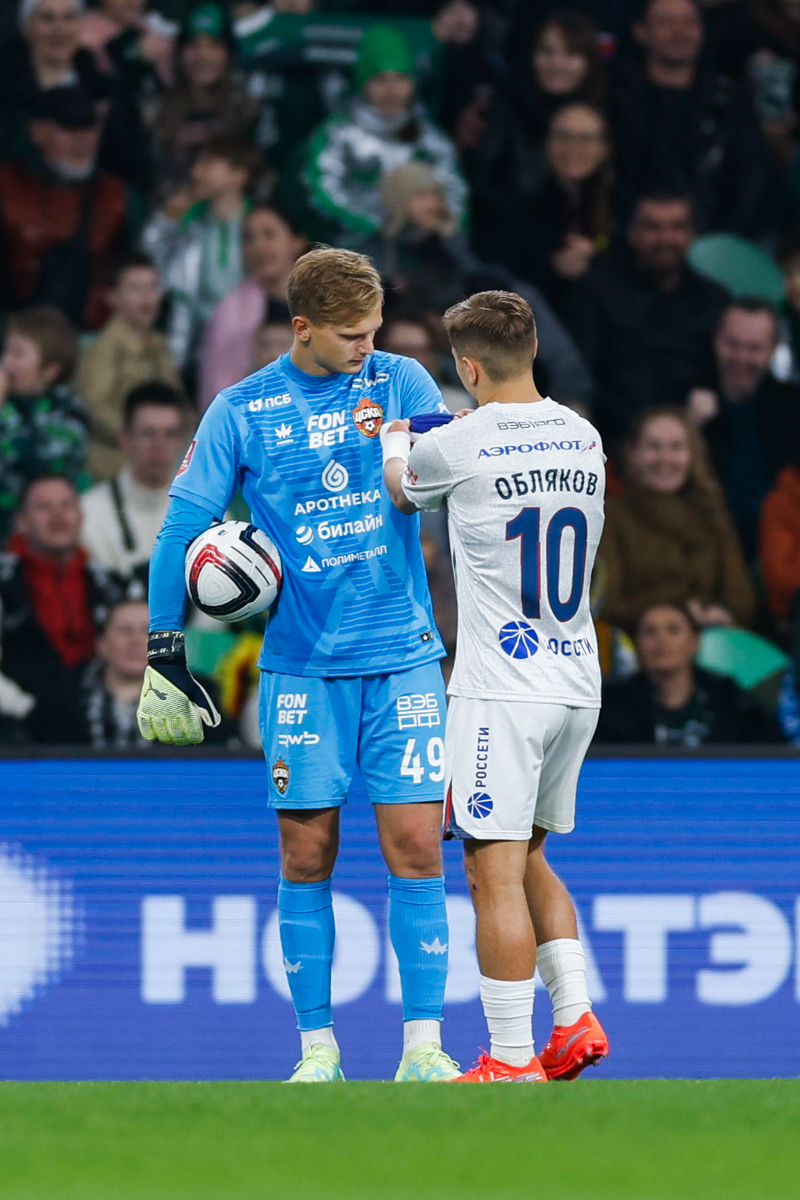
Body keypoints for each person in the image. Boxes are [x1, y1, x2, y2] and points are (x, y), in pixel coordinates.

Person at [136, 247, 460, 1084]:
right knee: (306, 857)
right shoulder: (240, 410)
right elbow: (181, 530)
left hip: (403, 658)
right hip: (301, 669)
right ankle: (318, 1052)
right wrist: (165, 648)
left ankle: (423, 1049)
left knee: (418, 849)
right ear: (303, 326)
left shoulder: (402, 381)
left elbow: (446, 476)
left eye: (375, 330)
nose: (368, 346)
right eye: (352, 334)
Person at [383, 290, 609, 1083]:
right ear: (533, 348)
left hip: (501, 691)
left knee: (490, 870)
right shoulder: (583, 434)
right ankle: (573, 1017)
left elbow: (402, 488)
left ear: (467, 367)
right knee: (531, 853)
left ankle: (511, 1059)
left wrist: (399, 435)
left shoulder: (462, 442)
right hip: (575, 679)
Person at [565, 191, 729, 439]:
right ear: (632, 233)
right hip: (611, 438)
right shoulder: (596, 292)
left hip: (696, 439)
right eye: (653, 227)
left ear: (692, 234)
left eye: (677, 227)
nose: (665, 239)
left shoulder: (714, 299)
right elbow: (579, 373)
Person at [609, 0, 772, 236]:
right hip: (624, 235)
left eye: (689, 23)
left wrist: (719, 242)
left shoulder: (730, 98)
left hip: (715, 240)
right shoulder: (614, 96)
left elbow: (752, 177)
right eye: (666, 22)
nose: (680, 31)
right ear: (640, 32)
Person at [302, 24, 468, 245]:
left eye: (401, 78)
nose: (392, 90)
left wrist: (439, 227)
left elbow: (455, 192)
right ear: (363, 83)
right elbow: (323, 189)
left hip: (425, 249)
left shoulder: (429, 137)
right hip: (356, 250)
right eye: (380, 79)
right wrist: (379, 227)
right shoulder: (338, 134)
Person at [598, 407, 755, 634]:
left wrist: (721, 614)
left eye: (676, 447)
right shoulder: (611, 516)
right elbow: (608, 604)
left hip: (710, 642)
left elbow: (741, 600)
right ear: (632, 453)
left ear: (693, 454)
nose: (665, 459)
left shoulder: (712, 515)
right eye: (654, 447)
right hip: (635, 643)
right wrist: (681, 609)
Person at [465, 10, 605, 258]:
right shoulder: (503, 106)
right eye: (547, 51)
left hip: (588, 249)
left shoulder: (604, 115)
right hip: (512, 244)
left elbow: (611, 224)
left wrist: (597, 246)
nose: (556, 63)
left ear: (589, 62)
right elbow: (483, 186)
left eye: (571, 53)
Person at [0, 87, 132, 330]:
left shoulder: (116, 195)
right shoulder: (7, 187)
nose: (82, 140)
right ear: (39, 132)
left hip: (92, 337)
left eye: (89, 128)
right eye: (69, 128)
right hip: (17, 336)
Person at [26, 597, 235, 747]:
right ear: (101, 644)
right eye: (124, 630)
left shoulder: (199, 696)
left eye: (148, 631)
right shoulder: (59, 693)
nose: (135, 640)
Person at [0, 475, 125, 706]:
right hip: (17, 716)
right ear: (21, 521)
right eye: (43, 507)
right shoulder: (5, 585)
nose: (57, 516)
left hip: (96, 714)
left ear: (81, 516)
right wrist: (21, 708)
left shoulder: (112, 586)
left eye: (66, 505)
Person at [693, 299, 800, 559]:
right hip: (703, 548)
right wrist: (688, 427)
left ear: (773, 349)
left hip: (778, 547)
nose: (741, 358)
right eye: (732, 344)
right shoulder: (684, 400)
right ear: (715, 340)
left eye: (754, 348)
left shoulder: (793, 408)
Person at [143, 136, 258, 372]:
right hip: (191, 337)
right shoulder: (189, 219)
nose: (195, 173)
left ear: (238, 175)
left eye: (208, 165)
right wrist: (169, 216)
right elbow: (149, 252)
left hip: (246, 340)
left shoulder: (259, 225)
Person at [595, 602, 783, 744]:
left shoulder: (732, 701)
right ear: (637, 643)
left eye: (673, 630)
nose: (661, 640)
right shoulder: (613, 706)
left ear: (694, 642)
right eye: (650, 631)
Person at [75, 252, 182, 480]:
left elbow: (177, 399)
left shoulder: (159, 344)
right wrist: (140, 437)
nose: (147, 298)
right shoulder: (104, 348)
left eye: (153, 287)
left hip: (164, 460)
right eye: (135, 289)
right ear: (112, 297)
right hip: (114, 465)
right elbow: (94, 405)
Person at [498, 103, 614, 313]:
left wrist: (596, 251)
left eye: (586, 139)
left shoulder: (622, 205)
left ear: (603, 148)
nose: (573, 147)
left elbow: (615, 243)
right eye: (563, 137)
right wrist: (553, 264)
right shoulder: (523, 210)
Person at [198, 204, 306, 410]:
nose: (258, 247)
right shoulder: (229, 310)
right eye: (249, 238)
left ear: (296, 242)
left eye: (269, 235)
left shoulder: (325, 302)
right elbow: (216, 390)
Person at [148, 2, 257, 202]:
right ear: (180, 53)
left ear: (229, 53)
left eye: (214, 44)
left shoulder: (248, 109)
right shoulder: (158, 111)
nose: (203, 56)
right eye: (193, 45)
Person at [80, 383, 190, 577]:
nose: (159, 445)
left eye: (170, 434)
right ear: (125, 438)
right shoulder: (88, 514)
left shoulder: (208, 514)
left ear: (182, 441)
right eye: (148, 433)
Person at [0, 306, 87, 542]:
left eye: (18, 354)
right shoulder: (8, 403)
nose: (6, 362)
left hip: (35, 539)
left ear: (50, 370)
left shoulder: (67, 414)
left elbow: (35, 464)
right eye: (6, 351)